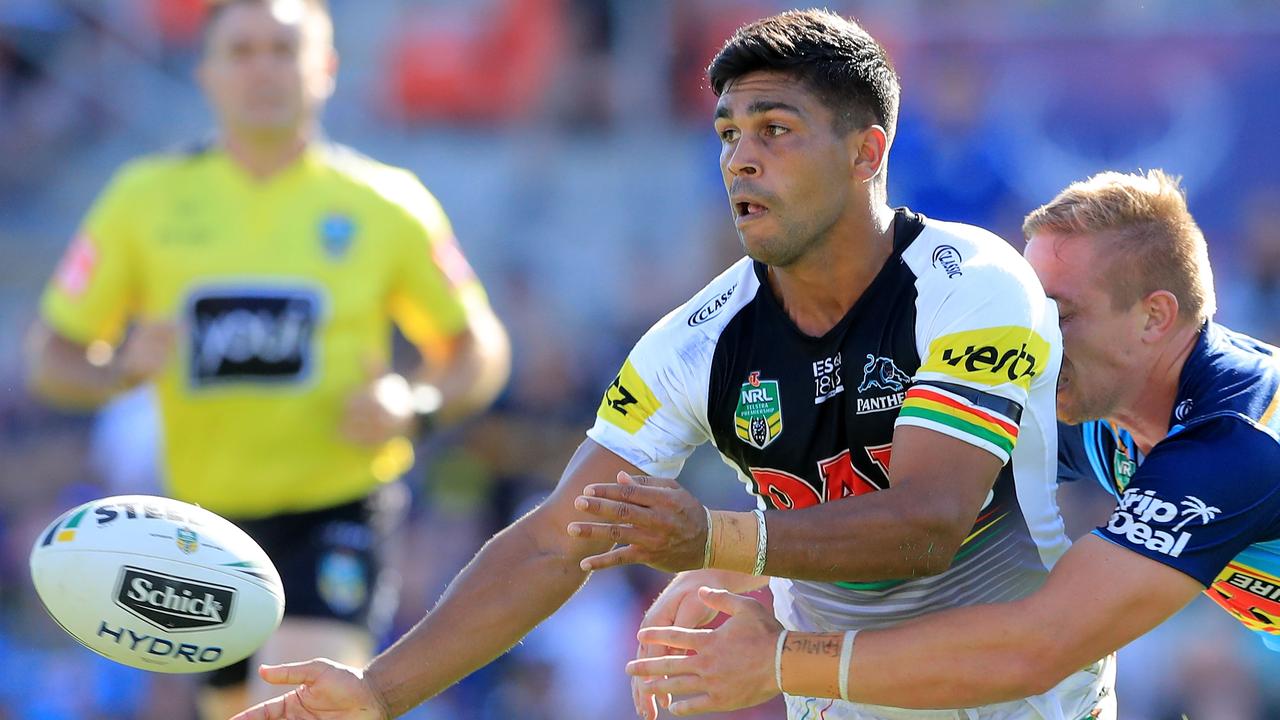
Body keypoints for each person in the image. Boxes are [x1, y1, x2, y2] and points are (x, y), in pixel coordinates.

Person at [233, 10, 1114, 720]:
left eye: (776, 129)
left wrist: (714, 541)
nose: (741, 156)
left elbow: (926, 525)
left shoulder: (973, 283)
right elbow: (554, 538)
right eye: (728, 132)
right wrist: (379, 694)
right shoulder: (698, 341)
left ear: (866, 153)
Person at [626, 169, 1280, 715]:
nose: (1035, 337)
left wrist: (778, 661)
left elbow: (1038, 647)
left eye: (1061, 314)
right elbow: (905, 494)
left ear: (1154, 317)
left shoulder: (1233, 446)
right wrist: (730, 560)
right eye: (1025, 307)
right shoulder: (1102, 398)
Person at [24, 1, 510, 718]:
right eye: (242, 51)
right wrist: (120, 369)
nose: (263, 70)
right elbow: (50, 356)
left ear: (327, 70)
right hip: (196, 528)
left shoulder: (386, 204)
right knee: (232, 710)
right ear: (206, 74)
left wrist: (415, 403)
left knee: (295, 700)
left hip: (336, 507)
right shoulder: (143, 200)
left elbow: (479, 348)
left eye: (284, 50)